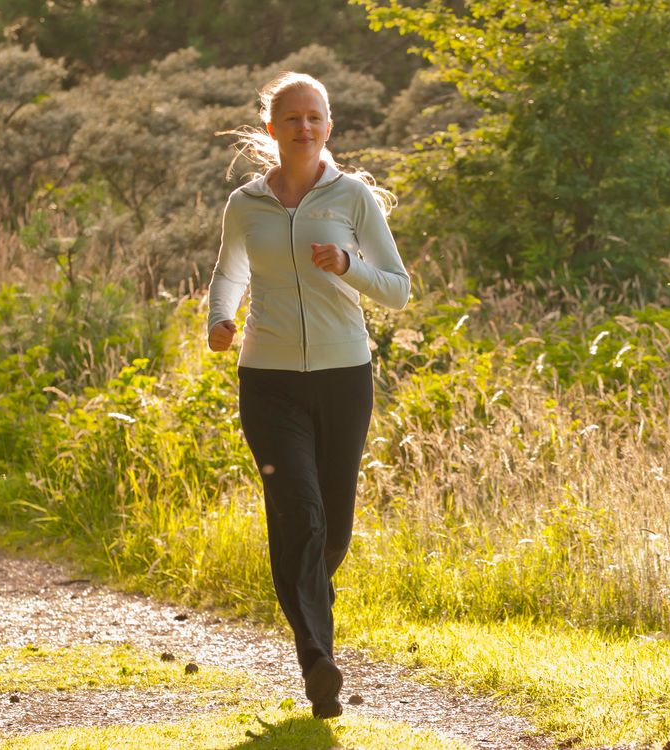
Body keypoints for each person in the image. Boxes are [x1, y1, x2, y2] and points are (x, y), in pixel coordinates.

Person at [207, 72, 411, 719]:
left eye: (315, 117)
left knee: (332, 533)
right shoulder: (245, 204)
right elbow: (229, 271)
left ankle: (312, 632)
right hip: (266, 381)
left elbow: (399, 288)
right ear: (272, 128)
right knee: (298, 508)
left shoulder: (353, 199)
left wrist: (349, 266)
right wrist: (220, 318)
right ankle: (318, 663)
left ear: (330, 126)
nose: (304, 128)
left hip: (343, 377)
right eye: (291, 118)